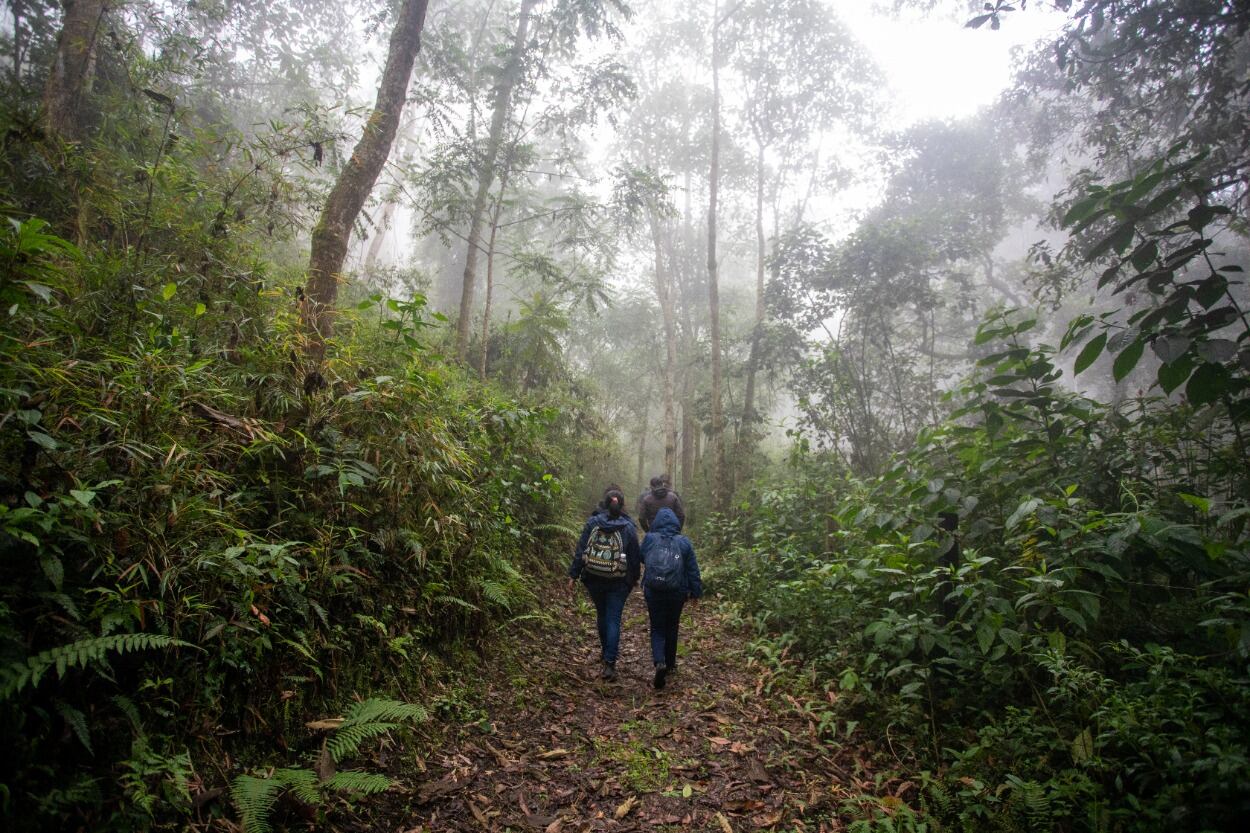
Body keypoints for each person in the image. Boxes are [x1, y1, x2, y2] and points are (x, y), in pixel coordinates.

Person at [567, 487, 640, 681]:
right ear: (622, 504)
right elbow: (634, 556)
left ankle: (605, 651)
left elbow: (581, 549)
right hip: (619, 580)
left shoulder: (593, 522)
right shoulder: (628, 527)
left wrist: (573, 575)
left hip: (594, 577)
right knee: (613, 618)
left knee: (602, 614)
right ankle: (609, 663)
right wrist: (634, 578)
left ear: (605, 503)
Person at [640, 506, 702, 689]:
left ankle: (659, 662)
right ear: (676, 522)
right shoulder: (684, 542)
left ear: (656, 522)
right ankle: (671, 663)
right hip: (677, 591)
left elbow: (643, 557)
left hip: (653, 590)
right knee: (672, 626)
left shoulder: (650, 539)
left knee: (657, 627)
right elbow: (692, 569)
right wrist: (696, 592)